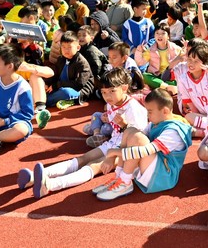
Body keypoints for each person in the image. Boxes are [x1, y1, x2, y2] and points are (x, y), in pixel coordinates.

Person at [19, 68, 147, 198]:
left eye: (112, 91)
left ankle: (50, 185)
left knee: (94, 165)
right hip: (112, 143)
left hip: (126, 151)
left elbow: (138, 139)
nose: (107, 96)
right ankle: (34, 177)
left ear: (124, 88)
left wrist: (117, 146)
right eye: (103, 92)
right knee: (83, 158)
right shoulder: (111, 103)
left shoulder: (134, 108)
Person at [92, 88, 193, 200]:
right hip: (155, 166)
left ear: (164, 111)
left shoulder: (173, 131)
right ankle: (119, 176)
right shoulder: (155, 124)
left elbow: (145, 150)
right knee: (130, 131)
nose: (147, 115)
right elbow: (132, 138)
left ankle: (125, 182)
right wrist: (112, 156)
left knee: (138, 138)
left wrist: (114, 153)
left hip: (164, 176)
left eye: (150, 112)